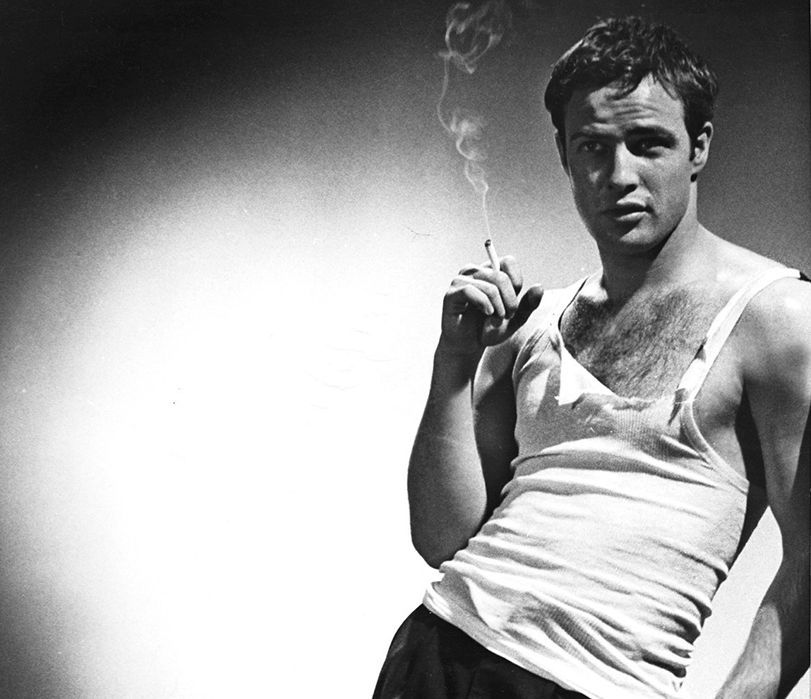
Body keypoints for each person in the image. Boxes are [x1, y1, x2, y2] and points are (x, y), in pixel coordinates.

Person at [373, 16, 810, 699]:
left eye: (648, 144)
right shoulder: (532, 323)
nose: (618, 176)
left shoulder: (776, 317)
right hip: (436, 648)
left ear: (698, 146)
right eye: (593, 148)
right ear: (564, 154)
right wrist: (452, 362)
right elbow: (441, 539)